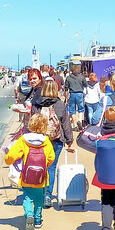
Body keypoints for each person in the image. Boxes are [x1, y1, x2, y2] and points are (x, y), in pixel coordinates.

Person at [5, 113, 57, 230]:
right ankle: (38, 220)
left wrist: (8, 160)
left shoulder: (24, 140)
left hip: (27, 176)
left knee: (27, 197)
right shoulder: (47, 141)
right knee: (39, 198)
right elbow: (51, 158)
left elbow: (12, 155)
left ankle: (29, 214)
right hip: (41, 177)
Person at [31, 79, 75, 207]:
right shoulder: (60, 104)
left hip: (39, 140)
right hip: (56, 139)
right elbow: (66, 124)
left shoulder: (36, 103)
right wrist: (69, 140)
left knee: (38, 166)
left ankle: (38, 192)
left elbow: (32, 122)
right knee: (51, 167)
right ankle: (48, 196)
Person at [64, 64, 87, 129]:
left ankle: (74, 124)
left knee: (72, 109)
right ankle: (79, 120)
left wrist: (66, 98)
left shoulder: (68, 78)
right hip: (80, 93)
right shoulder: (81, 77)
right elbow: (85, 85)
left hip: (72, 94)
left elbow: (66, 89)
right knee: (81, 108)